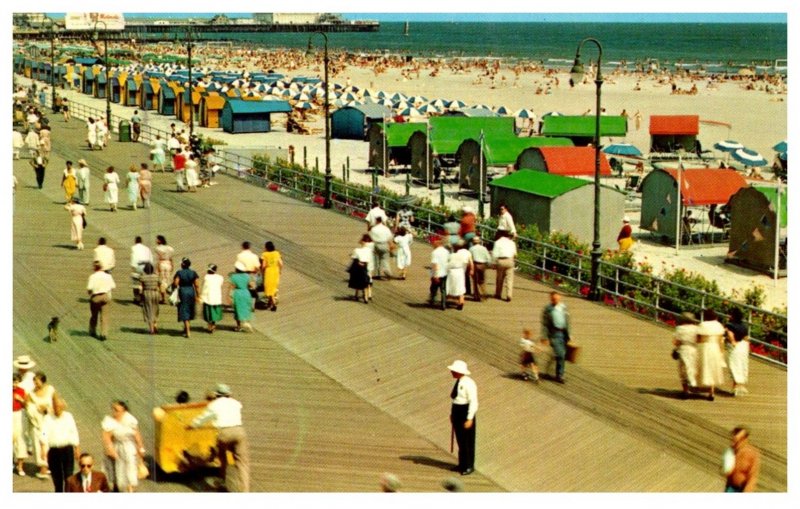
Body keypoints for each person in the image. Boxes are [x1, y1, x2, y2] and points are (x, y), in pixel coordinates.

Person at [188, 383, 250, 492]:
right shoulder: (236, 403)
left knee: (222, 456)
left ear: (216, 395)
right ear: (229, 394)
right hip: (239, 432)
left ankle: (223, 479)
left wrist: (193, 425)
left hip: (224, 434)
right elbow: (236, 405)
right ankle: (245, 491)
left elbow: (203, 418)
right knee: (242, 463)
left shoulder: (214, 405)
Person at [101, 400, 146, 492]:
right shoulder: (109, 420)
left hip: (129, 447)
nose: (114, 411)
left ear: (124, 410)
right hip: (116, 447)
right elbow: (106, 437)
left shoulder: (130, 419)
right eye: (113, 409)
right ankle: (118, 489)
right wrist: (111, 449)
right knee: (117, 471)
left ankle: (130, 489)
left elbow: (136, 434)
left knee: (130, 468)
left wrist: (141, 448)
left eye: (116, 410)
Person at [42, 395, 80, 492]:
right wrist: (43, 449)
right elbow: (43, 433)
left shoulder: (68, 416)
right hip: (54, 451)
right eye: (54, 406)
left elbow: (74, 432)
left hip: (67, 449)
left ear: (63, 407)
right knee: (57, 478)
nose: (56, 409)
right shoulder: (47, 418)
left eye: (59, 406)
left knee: (68, 476)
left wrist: (77, 449)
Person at [447, 360, 478, 476]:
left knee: (468, 441)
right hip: (457, 412)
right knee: (460, 440)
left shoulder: (469, 384)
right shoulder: (459, 381)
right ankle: (462, 463)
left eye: (453, 371)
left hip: (465, 412)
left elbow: (473, 401)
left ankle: (469, 465)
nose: (451, 372)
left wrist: (470, 418)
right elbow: (455, 399)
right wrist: (453, 415)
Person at [26, 372, 56, 479]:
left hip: (49, 421)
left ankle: (50, 465)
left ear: (43, 381)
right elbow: (28, 408)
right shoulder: (31, 394)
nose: (35, 383)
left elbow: (56, 403)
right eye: (34, 381)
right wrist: (37, 410)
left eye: (37, 381)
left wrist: (47, 409)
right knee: (38, 444)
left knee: (50, 443)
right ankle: (43, 467)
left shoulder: (50, 390)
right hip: (37, 423)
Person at [541, 291, 571, 384]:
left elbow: (567, 321)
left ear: (560, 297)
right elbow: (545, 324)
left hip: (563, 333)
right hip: (554, 334)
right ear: (551, 299)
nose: (555, 300)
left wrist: (570, 334)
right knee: (560, 354)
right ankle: (560, 375)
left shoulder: (563, 307)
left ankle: (549, 369)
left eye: (556, 298)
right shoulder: (548, 309)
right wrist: (544, 337)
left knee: (561, 354)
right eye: (553, 299)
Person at [697, 309, 726, 401]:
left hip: (704, 347)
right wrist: (722, 351)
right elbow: (720, 341)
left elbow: (699, 339)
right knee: (714, 368)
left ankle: (701, 383)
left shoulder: (702, 325)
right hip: (715, 347)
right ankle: (711, 391)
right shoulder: (718, 325)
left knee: (704, 366)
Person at [724, 426, 760, 492]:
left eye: (738, 440)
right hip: (731, 487)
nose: (734, 443)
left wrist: (747, 491)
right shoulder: (730, 451)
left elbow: (752, 476)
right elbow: (725, 471)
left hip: (744, 489)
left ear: (745, 439)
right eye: (734, 440)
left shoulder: (753, 454)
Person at [87, 261, 116, 341]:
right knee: (105, 316)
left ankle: (92, 330)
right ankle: (103, 333)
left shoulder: (92, 276)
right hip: (105, 296)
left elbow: (89, 288)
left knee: (94, 315)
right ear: (102, 267)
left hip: (96, 297)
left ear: (94, 268)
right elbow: (113, 286)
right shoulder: (108, 276)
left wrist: (90, 293)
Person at [673, 311, 699, 398]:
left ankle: (685, 390)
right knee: (692, 366)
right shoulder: (696, 329)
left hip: (683, 349)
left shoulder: (679, 328)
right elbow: (698, 340)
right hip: (693, 349)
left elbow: (676, 342)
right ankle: (693, 382)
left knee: (683, 369)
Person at [725, 308, 750, 396]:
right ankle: (739, 385)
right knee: (741, 365)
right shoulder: (744, 326)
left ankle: (736, 386)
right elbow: (746, 338)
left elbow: (730, 335)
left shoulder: (729, 325)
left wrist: (733, 342)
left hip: (734, 348)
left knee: (734, 366)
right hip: (743, 348)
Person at [173, 257, 200, 338]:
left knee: (184, 310)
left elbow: (176, 283)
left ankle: (188, 331)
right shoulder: (193, 273)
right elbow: (197, 285)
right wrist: (198, 295)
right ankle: (186, 328)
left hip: (183, 291)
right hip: (191, 291)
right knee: (189, 309)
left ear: (183, 264)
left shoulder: (179, 272)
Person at [236, 241, 261, 311]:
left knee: (243, 289)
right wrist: (257, 273)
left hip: (242, 274)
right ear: (249, 247)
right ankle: (252, 305)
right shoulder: (254, 256)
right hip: (251, 274)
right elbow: (257, 267)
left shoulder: (239, 255)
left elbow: (238, 266)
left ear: (242, 247)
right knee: (252, 290)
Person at [492, 230, 517, 302]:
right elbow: (515, 254)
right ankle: (509, 295)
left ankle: (498, 293)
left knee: (499, 278)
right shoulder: (512, 243)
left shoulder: (497, 242)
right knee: (509, 279)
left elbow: (495, 254)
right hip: (509, 260)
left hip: (501, 261)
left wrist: (494, 263)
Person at [446, 242, 471, 310]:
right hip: (460, 271)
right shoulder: (462, 256)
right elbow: (466, 263)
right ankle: (461, 301)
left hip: (452, 271)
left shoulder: (451, 255)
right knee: (461, 287)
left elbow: (448, 264)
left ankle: (448, 298)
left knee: (449, 285)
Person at [230, 262, 254, 332]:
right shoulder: (247, 276)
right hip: (246, 293)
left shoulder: (233, 277)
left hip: (238, 293)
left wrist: (229, 296)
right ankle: (247, 322)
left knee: (237, 309)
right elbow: (251, 285)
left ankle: (239, 326)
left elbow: (232, 287)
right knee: (246, 308)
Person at [348, 234, 373, 303]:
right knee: (365, 281)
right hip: (365, 266)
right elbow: (370, 259)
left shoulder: (357, 250)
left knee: (357, 279)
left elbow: (353, 257)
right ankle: (366, 296)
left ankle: (356, 294)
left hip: (358, 266)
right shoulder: (369, 250)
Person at [13, 373, 29, 476]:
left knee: (20, 440)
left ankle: (20, 466)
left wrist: (21, 399)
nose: (13, 384)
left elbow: (27, 405)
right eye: (12, 381)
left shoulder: (22, 391)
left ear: (19, 382)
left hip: (18, 416)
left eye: (15, 381)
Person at [260, 241, 284, 312]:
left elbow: (263, 265)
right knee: (273, 287)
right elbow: (281, 263)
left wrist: (262, 271)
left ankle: (273, 305)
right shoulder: (277, 253)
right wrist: (280, 270)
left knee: (269, 288)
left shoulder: (265, 254)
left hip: (269, 272)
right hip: (276, 271)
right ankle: (269, 303)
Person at [201, 264, 224, 332]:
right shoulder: (220, 277)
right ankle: (213, 325)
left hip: (208, 297)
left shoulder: (206, 277)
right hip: (216, 297)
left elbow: (204, 288)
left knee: (208, 313)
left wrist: (202, 296)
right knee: (214, 313)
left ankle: (209, 326)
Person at [130, 236, 154, 304]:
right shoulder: (147, 248)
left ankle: (137, 298)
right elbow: (151, 258)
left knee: (136, 282)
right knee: (145, 282)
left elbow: (133, 258)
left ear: (135, 241)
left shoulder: (133, 248)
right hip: (147, 266)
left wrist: (133, 267)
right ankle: (145, 297)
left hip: (139, 266)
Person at [429, 236, 450, 309]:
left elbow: (435, 264)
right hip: (444, 272)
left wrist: (435, 275)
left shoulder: (435, 252)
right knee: (443, 289)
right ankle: (443, 304)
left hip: (437, 273)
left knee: (433, 288)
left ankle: (432, 300)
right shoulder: (446, 252)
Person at [139, 262, 160, 335]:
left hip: (147, 294)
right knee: (155, 309)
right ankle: (155, 325)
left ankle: (151, 329)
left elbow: (141, 288)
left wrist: (140, 296)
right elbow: (159, 285)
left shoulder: (142, 277)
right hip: (155, 293)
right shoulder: (156, 276)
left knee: (149, 310)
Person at [469, 236, 491, 301]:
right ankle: (483, 292)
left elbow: (470, 258)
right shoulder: (484, 248)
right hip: (483, 265)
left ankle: (477, 296)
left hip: (475, 264)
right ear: (479, 241)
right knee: (482, 280)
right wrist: (489, 264)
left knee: (475, 281)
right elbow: (488, 258)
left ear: (473, 242)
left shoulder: (471, 249)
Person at [154, 235, 175, 303]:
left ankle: (163, 298)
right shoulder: (170, 248)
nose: (156, 241)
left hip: (162, 263)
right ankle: (168, 293)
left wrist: (157, 267)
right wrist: (172, 265)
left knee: (162, 280)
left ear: (160, 240)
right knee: (167, 279)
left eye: (157, 240)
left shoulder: (158, 248)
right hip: (168, 263)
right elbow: (171, 258)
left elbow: (159, 258)